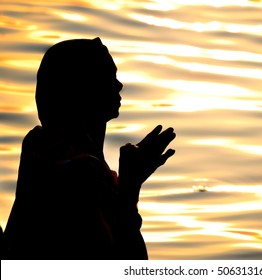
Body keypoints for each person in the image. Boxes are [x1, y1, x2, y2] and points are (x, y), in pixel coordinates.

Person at [2, 38, 176, 259]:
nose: (119, 85)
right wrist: (130, 187)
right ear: (81, 90)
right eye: (107, 77)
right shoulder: (83, 175)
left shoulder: (39, 147)